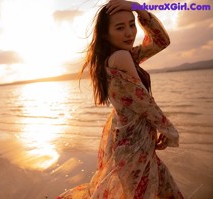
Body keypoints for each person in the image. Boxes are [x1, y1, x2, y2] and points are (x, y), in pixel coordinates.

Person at [58, 0, 184, 198]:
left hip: (133, 142)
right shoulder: (121, 58)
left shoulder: (119, 58)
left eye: (131, 25)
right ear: (106, 34)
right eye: (120, 27)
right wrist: (168, 129)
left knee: (162, 188)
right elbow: (144, 102)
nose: (129, 33)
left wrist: (138, 8)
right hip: (135, 147)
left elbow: (161, 41)